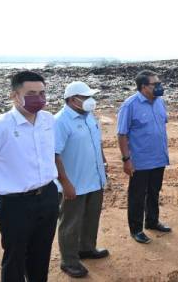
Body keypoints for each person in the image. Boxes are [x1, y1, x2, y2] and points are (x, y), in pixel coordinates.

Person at [0, 71, 59, 282]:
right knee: (15, 257)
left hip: (48, 196)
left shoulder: (48, 120)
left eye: (42, 92)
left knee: (41, 252)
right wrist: (5, 174)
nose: (39, 97)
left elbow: (50, 154)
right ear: (14, 95)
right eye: (31, 93)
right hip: (15, 204)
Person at [55, 81, 109, 278]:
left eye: (90, 97)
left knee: (91, 216)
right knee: (70, 222)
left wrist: (103, 163)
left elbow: (96, 142)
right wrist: (65, 183)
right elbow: (54, 155)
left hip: (94, 179)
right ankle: (69, 261)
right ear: (71, 100)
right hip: (74, 183)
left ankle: (87, 248)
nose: (90, 101)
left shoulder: (89, 116)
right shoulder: (60, 121)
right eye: (85, 97)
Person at [117, 70, 171, 244]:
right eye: (155, 84)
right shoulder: (129, 105)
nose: (159, 87)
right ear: (143, 87)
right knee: (137, 196)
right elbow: (122, 134)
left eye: (159, 83)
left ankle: (152, 221)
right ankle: (136, 230)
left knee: (154, 192)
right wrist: (126, 159)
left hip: (159, 158)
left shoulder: (160, 102)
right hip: (140, 161)